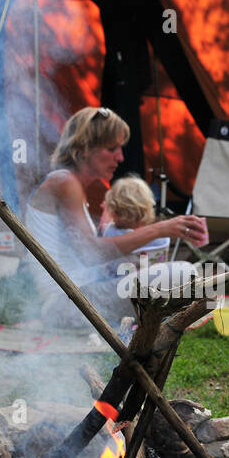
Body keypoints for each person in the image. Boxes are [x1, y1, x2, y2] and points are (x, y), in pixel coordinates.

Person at [26, 106, 207, 323]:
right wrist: (161, 228)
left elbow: (85, 259)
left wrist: (132, 264)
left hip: (80, 296)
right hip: (67, 305)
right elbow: (90, 252)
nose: (120, 157)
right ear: (83, 148)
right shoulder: (64, 182)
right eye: (112, 148)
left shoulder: (68, 184)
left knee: (178, 275)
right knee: (185, 274)